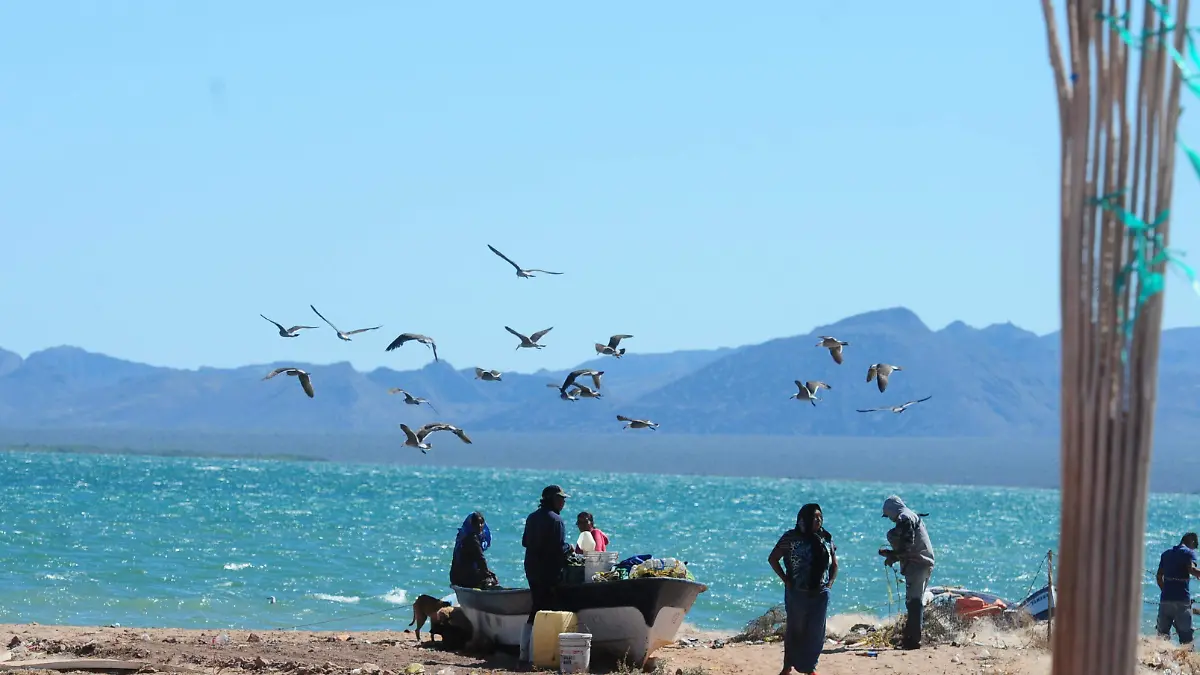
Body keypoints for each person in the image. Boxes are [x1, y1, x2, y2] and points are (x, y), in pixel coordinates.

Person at [768, 503, 837, 675]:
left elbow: (834, 564)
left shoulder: (826, 538)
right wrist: (786, 580)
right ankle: (787, 666)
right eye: (814, 517)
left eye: (820, 516)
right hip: (797, 592)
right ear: (802, 520)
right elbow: (773, 559)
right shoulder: (790, 538)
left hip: (821, 593)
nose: (818, 520)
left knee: (816, 633)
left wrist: (830, 584)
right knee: (795, 630)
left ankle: (810, 668)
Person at [518, 485, 575, 668]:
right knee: (546, 612)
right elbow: (558, 550)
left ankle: (524, 654)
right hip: (548, 572)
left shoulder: (532, 517)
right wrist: (570, 548)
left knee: (536, 608)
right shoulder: (556, 521)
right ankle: (536, 657)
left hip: (531, 569)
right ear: (551, 499)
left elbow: (525, 542)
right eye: (560, 499)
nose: (563, 502)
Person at [877, 494, 935, 650]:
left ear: (891, 510)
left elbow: (907, 544)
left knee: (914, 602)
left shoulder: (904, 518)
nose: (890, 519)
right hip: (923, 561)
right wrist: (893, 555)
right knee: (913, 601)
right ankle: (911, 637)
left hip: (918, 563)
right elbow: (908, 544)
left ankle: (913, 640)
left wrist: (893, 555)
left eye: (888, 515)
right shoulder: (910, 515)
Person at [1156, 532, 1200, 644]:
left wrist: (1165, 590)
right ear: (1192, 541)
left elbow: (1159, 577)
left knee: (1162, 637)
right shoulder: (1188, 553)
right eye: (1195, 547)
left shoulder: (1166, 554)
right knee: (1186, 641)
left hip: (1165, 600)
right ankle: (1185, 661)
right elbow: (1192, 570)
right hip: (1182, 602)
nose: (1194, 550)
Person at [449, 511, 498, 589]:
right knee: (491, 578)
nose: (479, 526)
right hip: (464, 578)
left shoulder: (462, 535)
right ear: (471, 524)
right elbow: (480, 559)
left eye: (481, 523)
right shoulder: (472, 539)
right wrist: (488, 575)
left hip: (455, 577)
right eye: (476, 523)